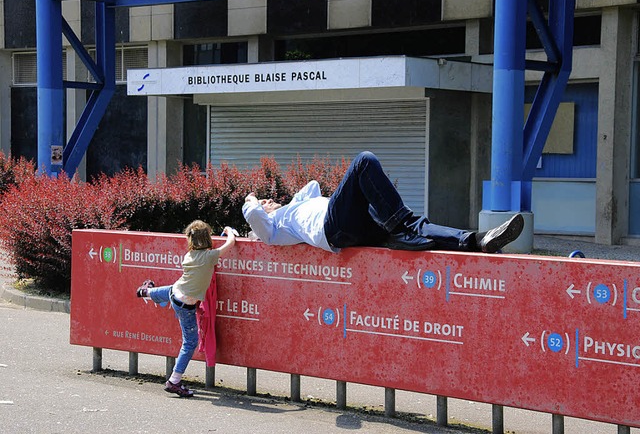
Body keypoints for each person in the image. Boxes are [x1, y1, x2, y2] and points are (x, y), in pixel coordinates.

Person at [243, 151, 524, 253]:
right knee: (364, 161)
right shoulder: (274, 228)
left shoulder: (293, 208)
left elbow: (312, 187)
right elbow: (256, 220)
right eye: (266, 202)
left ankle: (477, 240)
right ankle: (398, 228)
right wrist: (252, 199)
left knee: (412, 225)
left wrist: (286, 201)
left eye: (268, 199)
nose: (269, 200)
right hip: (333, 229)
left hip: (353, 226)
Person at [135, 220, 236, 397]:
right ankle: (174, 381)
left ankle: (147, 291)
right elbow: (231, 243)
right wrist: (229, 231)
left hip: (177, 293)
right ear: (207, 238)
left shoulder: (189, 256)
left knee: (173, 290)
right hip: (185, 306)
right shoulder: (210, 257)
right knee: (190, 343)